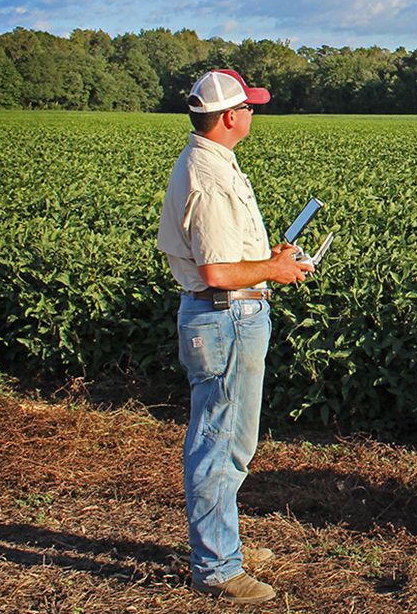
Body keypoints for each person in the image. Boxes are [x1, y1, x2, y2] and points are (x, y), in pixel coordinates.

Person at [157, 69, 314, 604]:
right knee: (218, 443)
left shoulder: (214, 161)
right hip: (223, 317)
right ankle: (218, 567)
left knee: (233, 441)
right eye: (250, 107)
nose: (253, 114)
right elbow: (218, 273)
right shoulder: (210, 176)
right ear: (230, 117)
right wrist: (274, 272)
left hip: (231, 316)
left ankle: (223, 542)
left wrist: (270, 261)